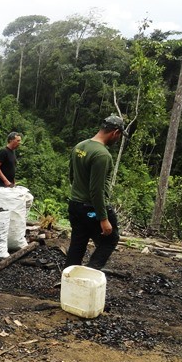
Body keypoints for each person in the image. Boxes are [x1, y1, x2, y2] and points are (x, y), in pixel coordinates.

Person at [65, 115, 128, 270]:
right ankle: (90, 273)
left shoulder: (80, 146)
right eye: (119, 136)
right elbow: (96, 190)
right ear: (115, 132)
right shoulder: (102, 155)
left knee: (78, 243)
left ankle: (68, 280)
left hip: (75, 205)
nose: (118, 139)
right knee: (110, 239)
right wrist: (103, 218)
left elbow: (72, 176)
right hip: (91, 209)